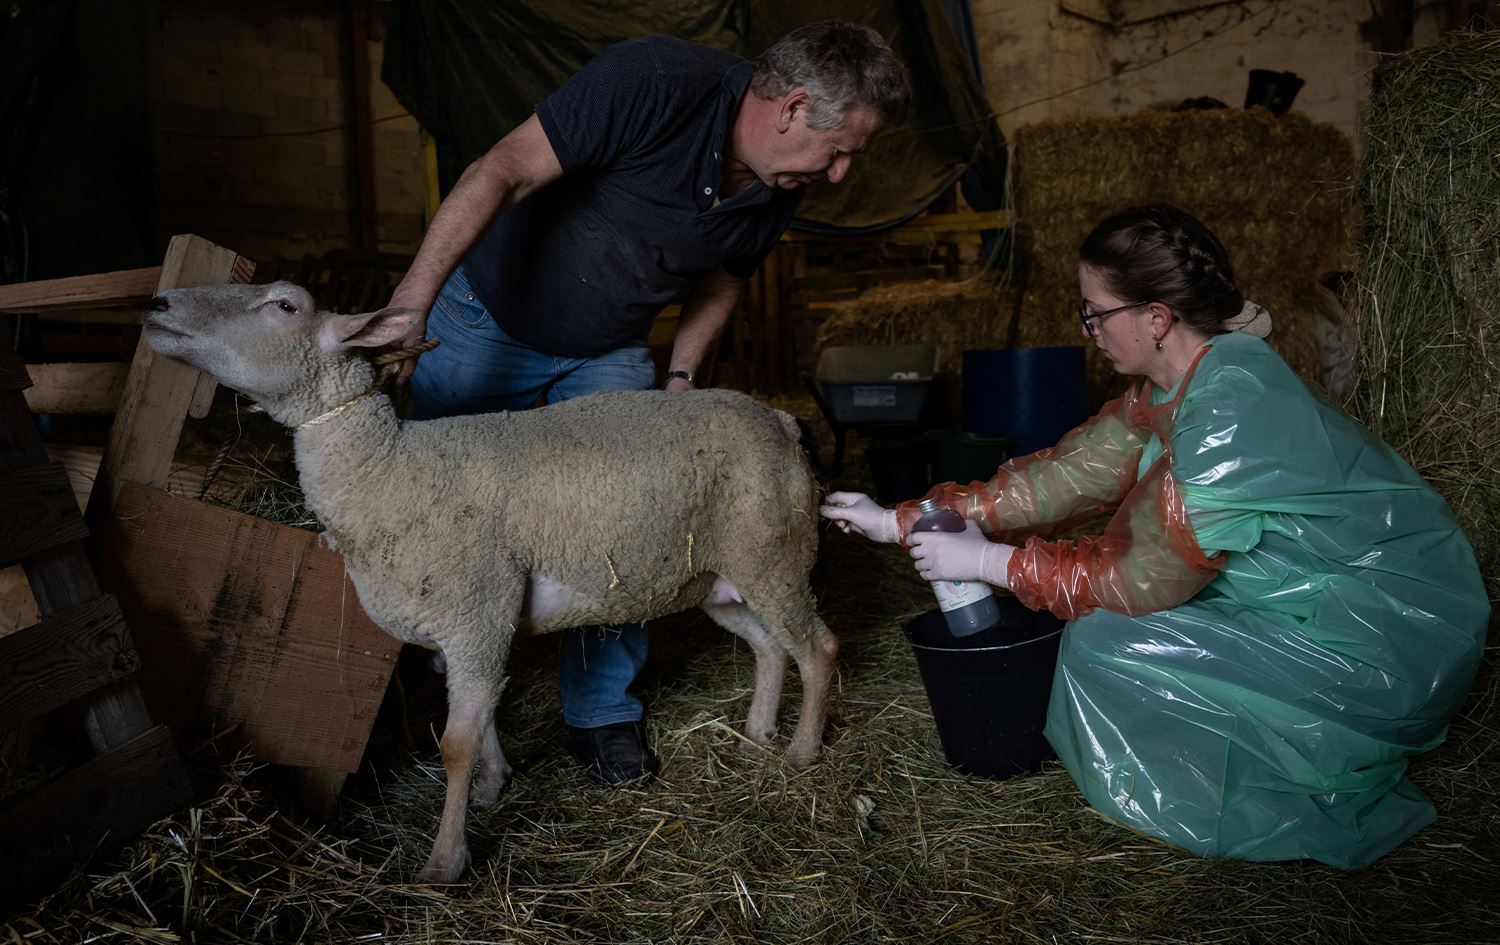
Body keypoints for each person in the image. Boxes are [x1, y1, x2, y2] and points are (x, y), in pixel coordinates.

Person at [821, 204, 1489, 867]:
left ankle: (1267, 781)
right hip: (1308, 601)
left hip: (1381, 642)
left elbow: (1150, 579)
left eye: (1095, 312)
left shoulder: (1232, 406)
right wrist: (903, 517)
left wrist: (992, 562)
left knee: (1106, 637)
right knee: (1108, 626)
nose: (1088, 330)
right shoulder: (1179, 381)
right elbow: (1067, 476)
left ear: (1156, 317)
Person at [379, 23, 911, 786]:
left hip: (609, 345)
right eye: (840, 150)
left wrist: (681, 383)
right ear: (792, 108)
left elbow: (722, 279)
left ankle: (601, 715)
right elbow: (503, 169)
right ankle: (426, 707)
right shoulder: (653, 82)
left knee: (631, 523)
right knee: (435, 517)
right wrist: (412, 304)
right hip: (486, 322)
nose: (840, 174)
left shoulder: (776, 181)